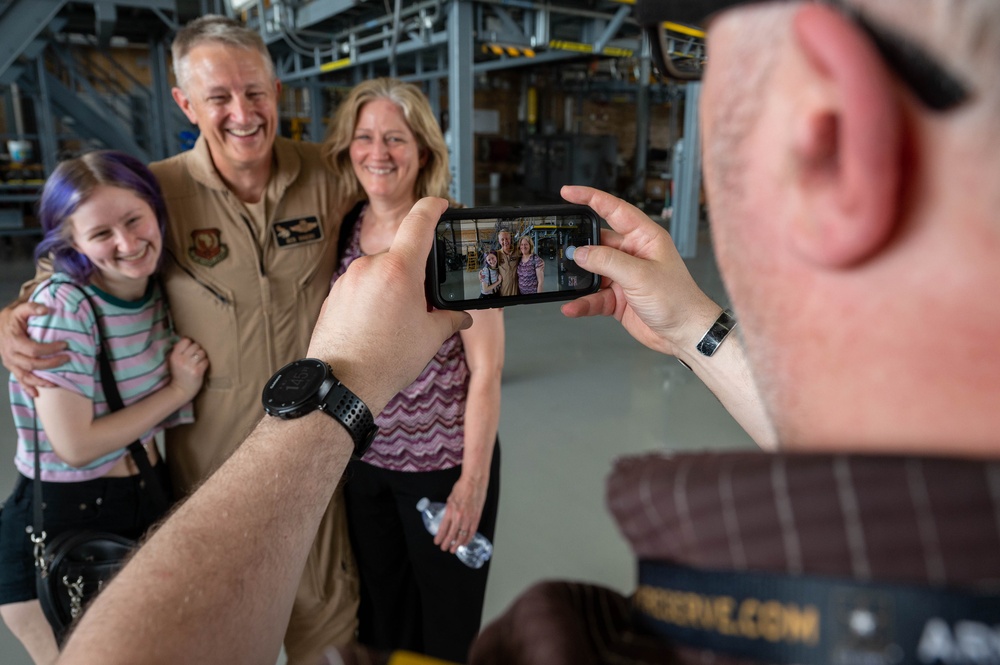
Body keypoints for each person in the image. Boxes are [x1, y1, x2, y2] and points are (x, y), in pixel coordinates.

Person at [0, 15, 357, 664]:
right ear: (185, 104)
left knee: (325, 629)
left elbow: (405, 205)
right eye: (217, 97)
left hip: (312, 458)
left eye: (254, 91)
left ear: (278, 89)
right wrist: (13, 316)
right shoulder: (154, 194)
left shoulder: (331, 175)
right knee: (211, 637)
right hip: (201, 478)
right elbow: (70, 264)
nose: (242, 112)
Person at [322, 77, 504, 663]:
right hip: (367, 464)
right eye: (366, 137)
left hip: (442, 466)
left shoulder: (459, 234)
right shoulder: (347, 227)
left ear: (422, 149)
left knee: (446, 623)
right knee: (384, 611)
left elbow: (488, 370)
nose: (378, 153)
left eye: (395, 139)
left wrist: (471, 486)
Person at [0, 151, 207, 663]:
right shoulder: (65, 307)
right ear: (72, 243)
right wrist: (177, 392)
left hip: (141, 498)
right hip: (69, 514)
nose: (127, 243)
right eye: (100, 235)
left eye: (135, 219)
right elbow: (75, 445)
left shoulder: (152, 289)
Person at [495, 229, 519, 296]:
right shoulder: (496, 254)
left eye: (507, 239)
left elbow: (528, 257)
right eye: (502, 239)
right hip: (503, 293)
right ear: (499, 241)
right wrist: (481, 274)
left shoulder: (518, 252)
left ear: (510, 239)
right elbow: (488, 268)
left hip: (517, 292)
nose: (505, 241)